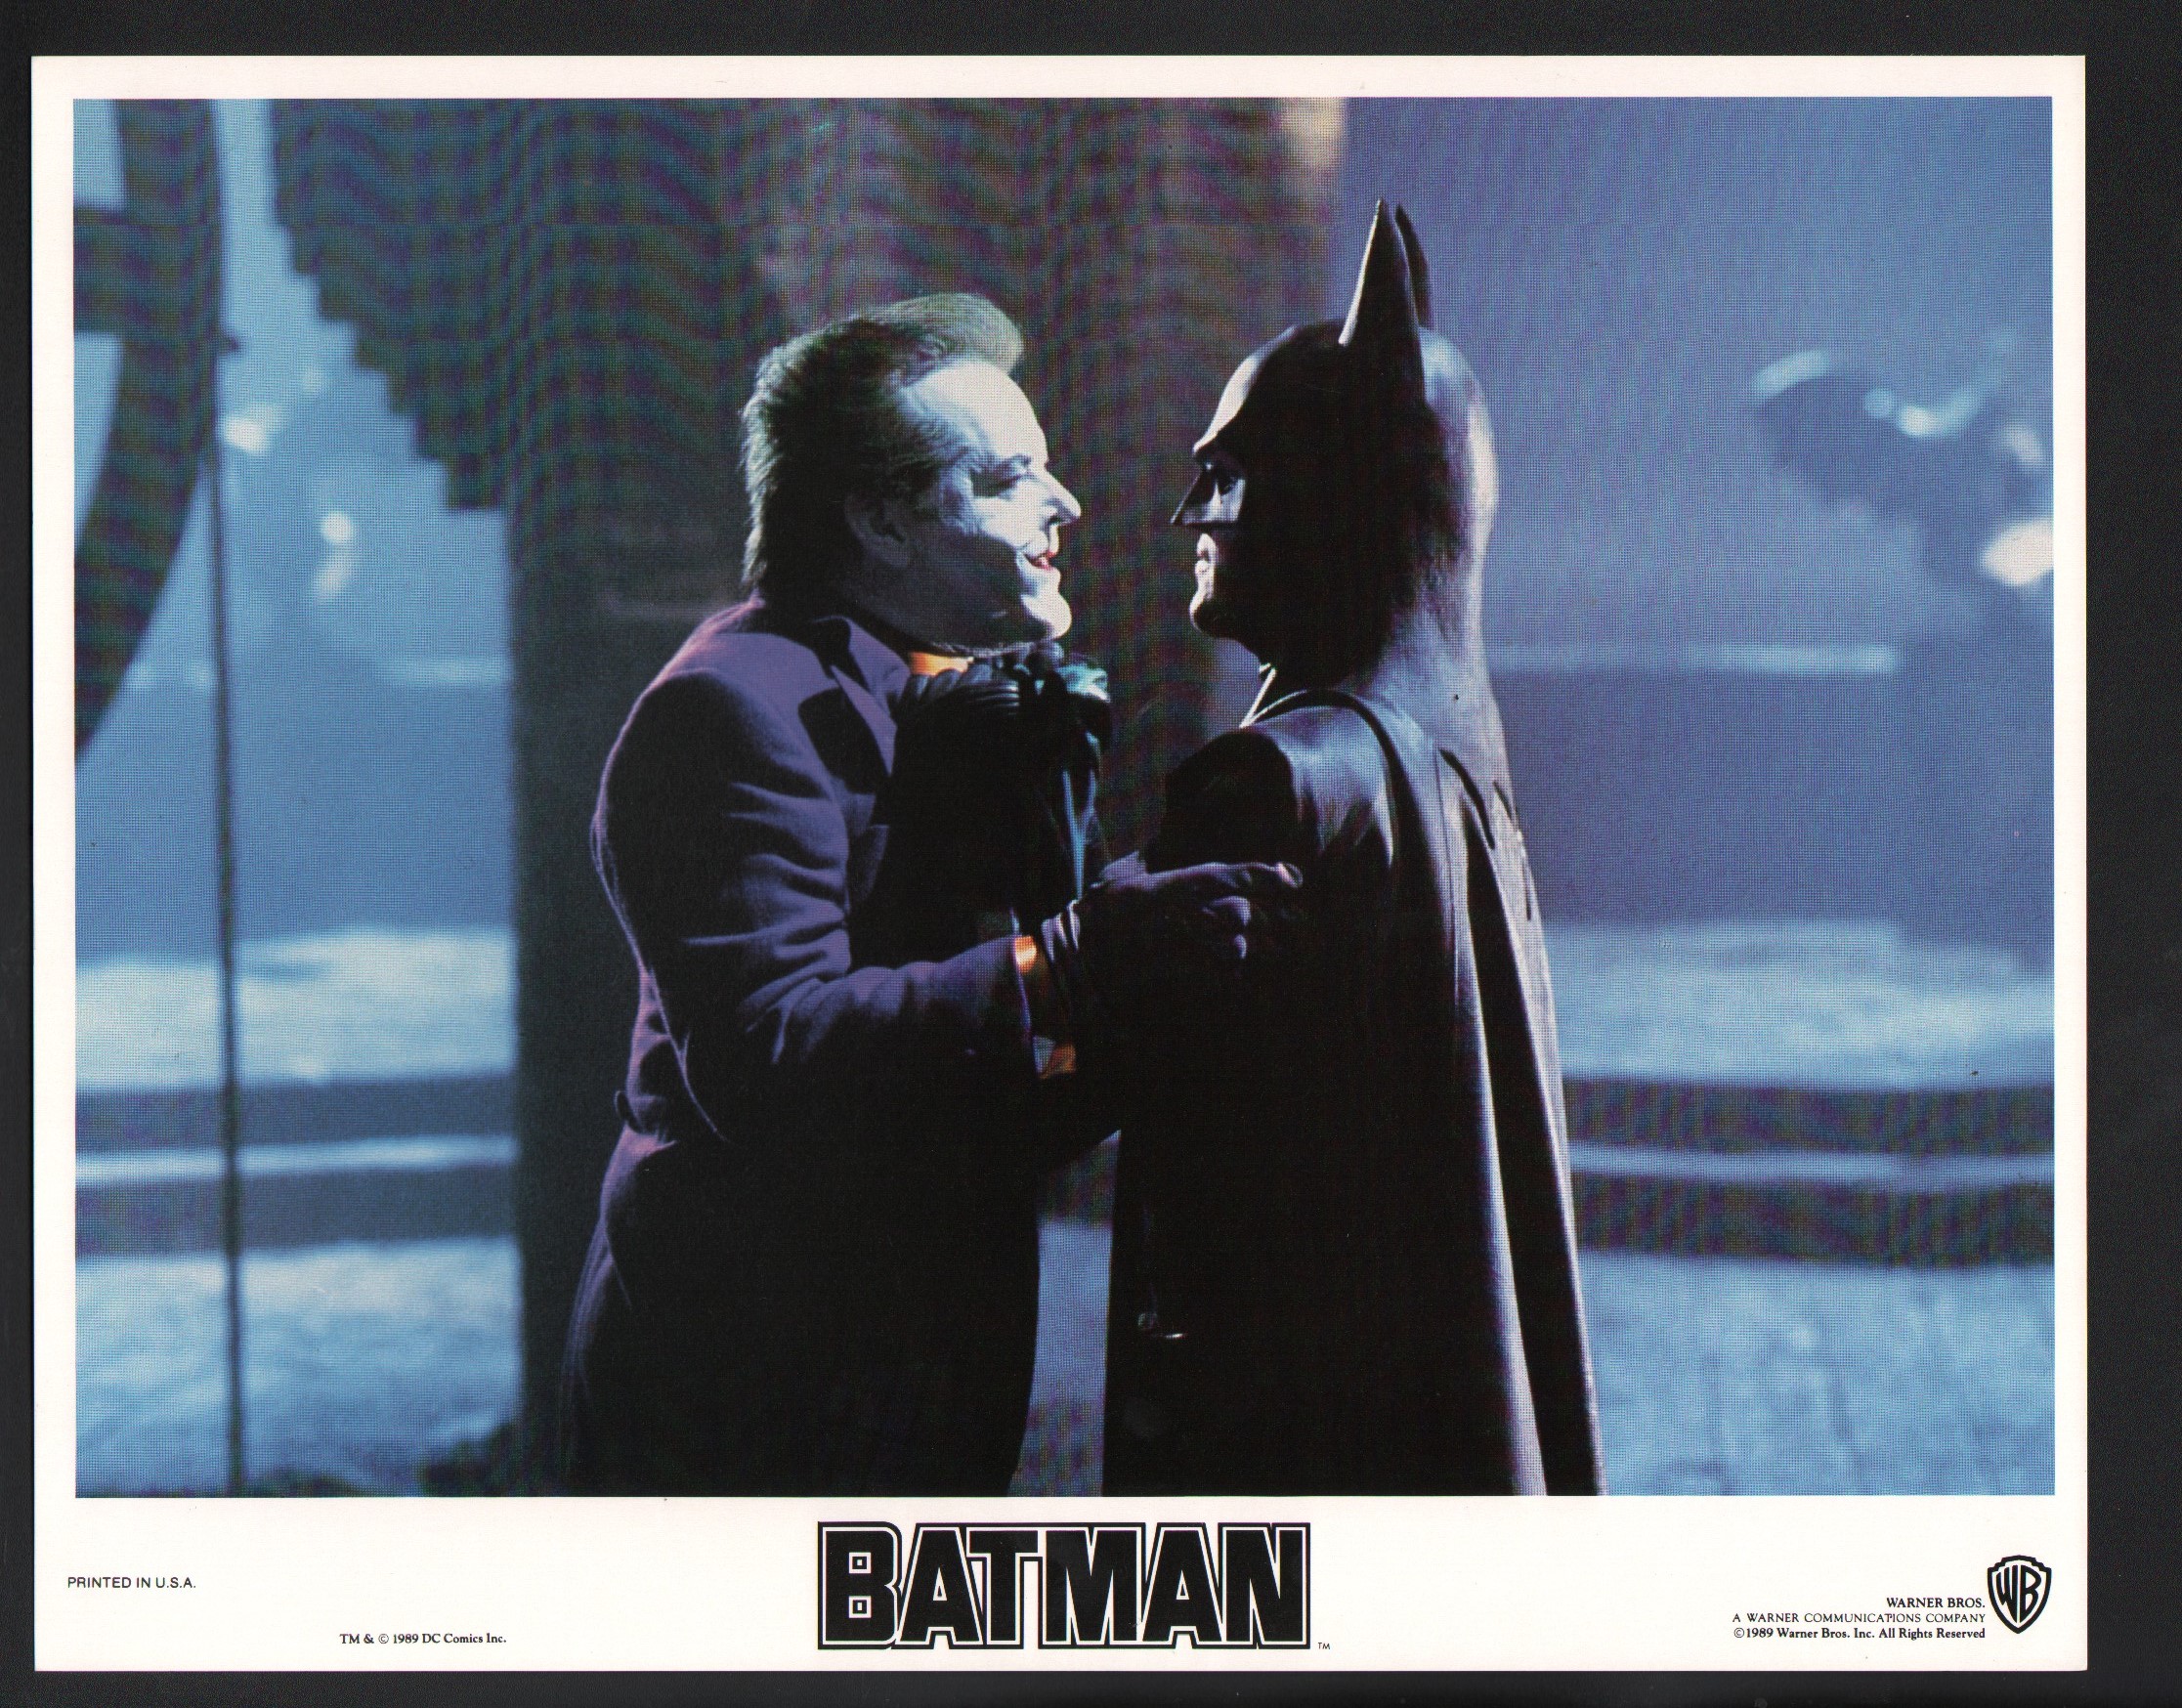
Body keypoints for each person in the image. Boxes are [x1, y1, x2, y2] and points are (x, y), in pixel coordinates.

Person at [560, 293, 1298, 1494]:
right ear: (880, 520)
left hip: (903, 1373)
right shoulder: (730, 712)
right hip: (744, 1397)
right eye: (1006, 478)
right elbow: (768, 1050)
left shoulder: (956, 691)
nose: (1064, 504)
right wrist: (1075, 961)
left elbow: (989, 1084)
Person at [1101, 205, 1606, 1495]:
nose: (1192, 512)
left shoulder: (1277, 782)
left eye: (1230, 473)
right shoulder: (1447, 751)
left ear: (1340, 491)